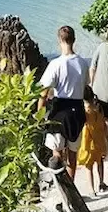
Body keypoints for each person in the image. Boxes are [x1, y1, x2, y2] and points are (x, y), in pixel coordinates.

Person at [38, 25, 89, 179]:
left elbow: (43, 92)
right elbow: (85, 86)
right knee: (73, 156)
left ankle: (61, 190)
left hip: (59, 111)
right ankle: (71, 188)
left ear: (59, 40)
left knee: (57, 155)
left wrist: (39, 114)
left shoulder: (55, 64)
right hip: (77, 111)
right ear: (74, 40)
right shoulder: (83, 63)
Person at [76, 86, 108, 196]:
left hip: (88, 143)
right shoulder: (98, 109)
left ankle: (91, 189)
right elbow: (103, 125)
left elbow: (84, 129)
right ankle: (101, 182)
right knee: (100, 162)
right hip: (99, 140)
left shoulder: (84, 112)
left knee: (88, 166)